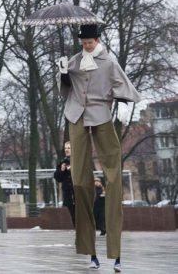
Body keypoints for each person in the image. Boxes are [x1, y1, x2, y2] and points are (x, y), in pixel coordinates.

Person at [60, 23, 140, 272]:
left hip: (101, 115)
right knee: (80, 181)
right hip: (76, 116)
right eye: (83, 43)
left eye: (90, 42)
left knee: (113, 177)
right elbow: (65, 91)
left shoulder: (108, 62)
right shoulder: (73, 61)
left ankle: (115, 253)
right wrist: (63, 72)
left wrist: (119, 100)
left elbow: (124, 88)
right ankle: (90, 250)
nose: (86, 46)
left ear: (97, 40)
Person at [53, 140, 75, 225]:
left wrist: (72, 170)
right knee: (72, 214)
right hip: (68, 192)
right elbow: (58, 178)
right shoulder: (62, 162)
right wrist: (61, 170)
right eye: (65, 148)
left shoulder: (78, 161)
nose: (67, 150)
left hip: (77, 191)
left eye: (69, 148)